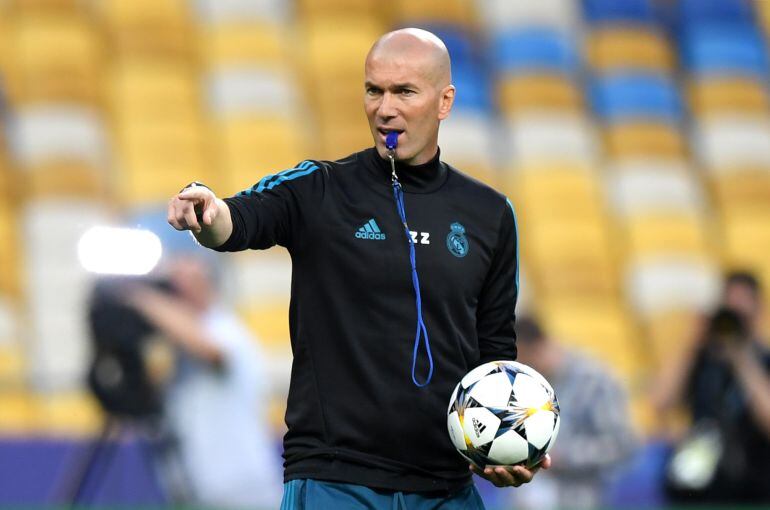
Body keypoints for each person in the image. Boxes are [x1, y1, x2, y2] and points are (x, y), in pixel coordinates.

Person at [167, 28, 549, 509]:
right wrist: (207, 211)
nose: (384, 108)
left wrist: (506, 450)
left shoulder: (490, 214)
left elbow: (495, 354)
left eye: (404, 91)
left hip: (446, 489)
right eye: (374, 90)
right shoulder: (320, 188)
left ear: (444, 101)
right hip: (335, 481)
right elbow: (239, 220)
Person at [122, 255, 283, 508]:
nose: (173, 291)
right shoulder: (178, 352)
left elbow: (213, 352)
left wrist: (142, 299)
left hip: (242, 489)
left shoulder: (225, 327)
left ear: (206, 285)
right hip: (203, 489)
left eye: (181, 282)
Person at [654, 271, 770, 504]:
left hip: (752, 483)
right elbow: (660, 401)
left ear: (757, 311)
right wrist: (692, 342)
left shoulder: (763, 361)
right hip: (700, 482)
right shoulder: (701, 360)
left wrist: (742, 358)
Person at [509, 317, 636, 510]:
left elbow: (622, 446)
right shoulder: (525, 384)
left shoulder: (595, 381)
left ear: (538, 349)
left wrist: (562, 456)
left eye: (525, 362)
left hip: (582, 498)